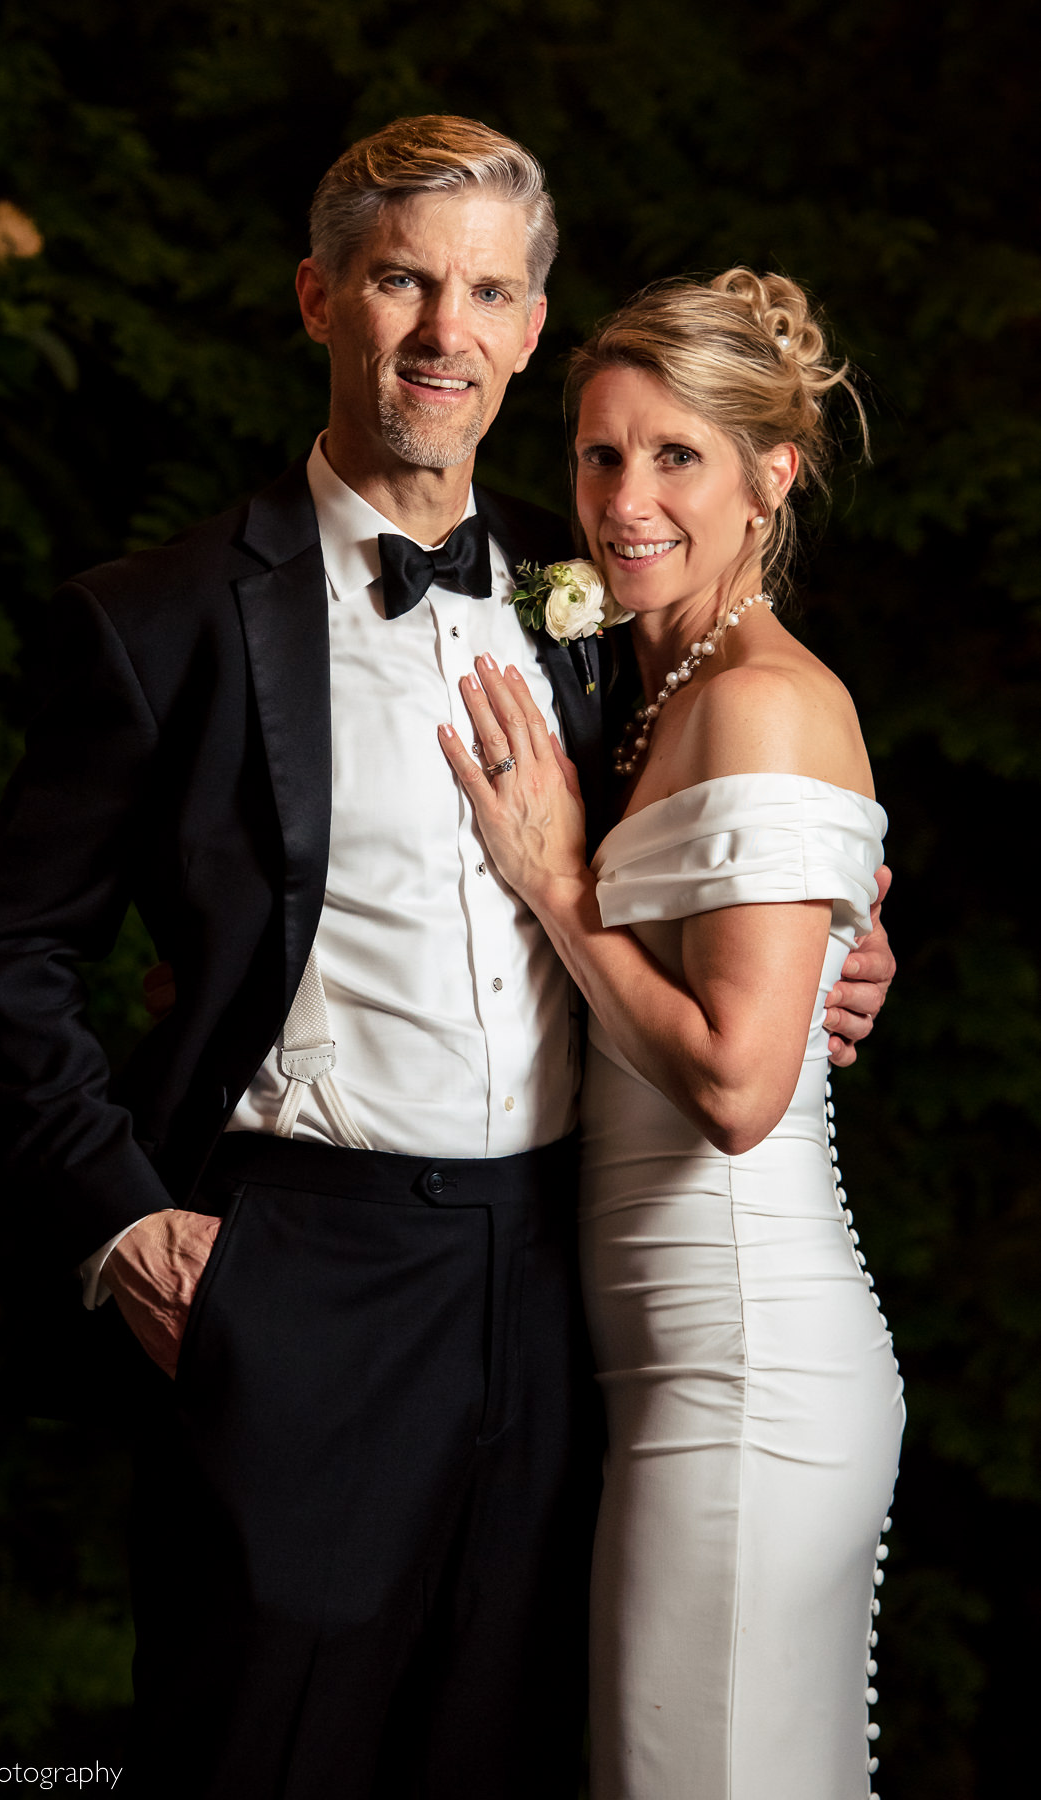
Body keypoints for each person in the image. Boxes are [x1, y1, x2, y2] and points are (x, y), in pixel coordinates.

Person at [0, 112, 893, 1800]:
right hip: (307, 1271)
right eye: (401, 281)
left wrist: (837, 950)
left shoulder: (587, 591)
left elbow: (712, 858)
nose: (444, 331)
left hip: (564, 1280)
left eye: (485, 291)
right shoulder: (157, 622)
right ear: (320, 299)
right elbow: (10, 949)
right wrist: (119, 1221)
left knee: (517, 1752)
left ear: (531, 328)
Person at [438, 270, 905, 1800]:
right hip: (668, 1361)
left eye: (675, 457)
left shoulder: (761, 701)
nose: (623, 501)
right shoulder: (650, 691)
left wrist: (558, 883)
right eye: (596, 456)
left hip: (746, 1365)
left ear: (771, 475)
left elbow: (734, 1085)